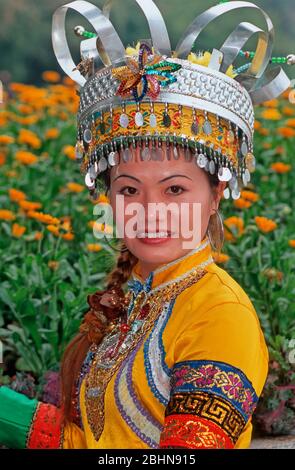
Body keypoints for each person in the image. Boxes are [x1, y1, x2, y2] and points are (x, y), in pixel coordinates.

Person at [0, 0, 291, 449]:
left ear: (214, 196)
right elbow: (84, 441)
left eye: (174, 189)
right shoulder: (133, 294)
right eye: (130, 190)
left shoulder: (219, 315)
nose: (149, 210)